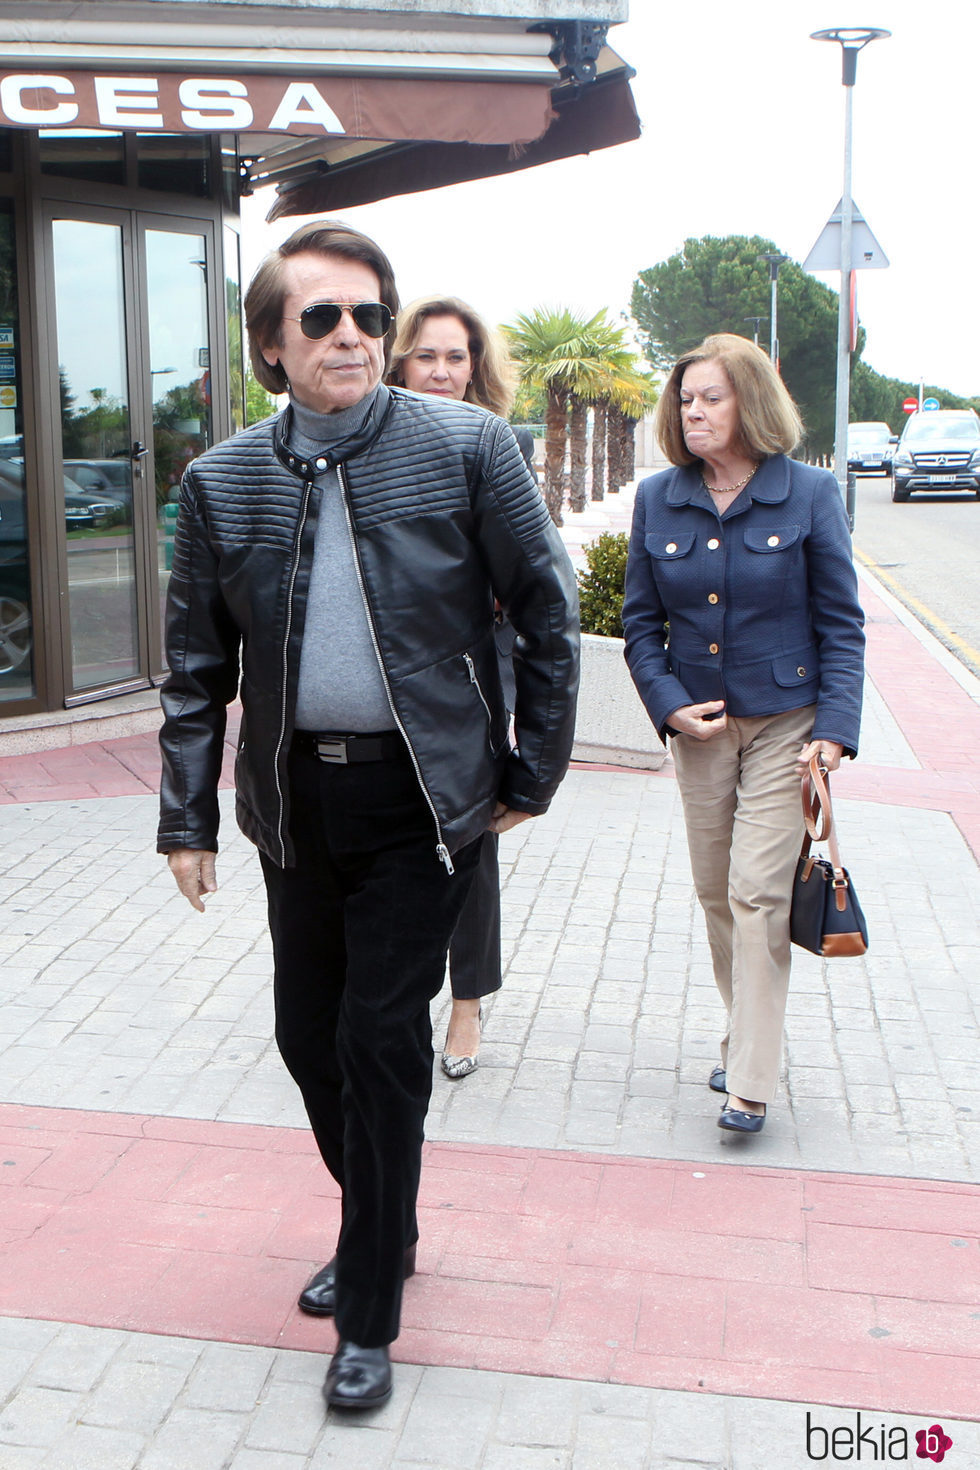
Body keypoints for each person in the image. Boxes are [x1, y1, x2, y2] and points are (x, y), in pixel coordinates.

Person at [157, 220, 579, 1409]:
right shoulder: (220, 482)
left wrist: (526, 771)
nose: (352, 337)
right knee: (307, 1037)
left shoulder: (467, 448)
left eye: (369, 316)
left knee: (378, 1039)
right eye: (321, 318)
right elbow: (195, 670)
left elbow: (545, 611)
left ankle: (371, 1315)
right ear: (269, 349)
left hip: (421, 797)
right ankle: (380, 1218)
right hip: (295, 802)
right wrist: (185, 818)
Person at [622, 333, 864, 1136]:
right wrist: (665, 705)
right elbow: (639, 624)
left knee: (758, 893)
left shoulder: (809, 495)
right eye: (685, 399)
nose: (693, 411)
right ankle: (743, 1032)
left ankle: (752, 1082)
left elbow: (842, 624)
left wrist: (834, 729)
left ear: (750, 403)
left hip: (785, 728)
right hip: (700, 731)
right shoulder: (659, 497)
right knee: (715, 892)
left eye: (711, 398)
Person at [388, 295, 534, 1079]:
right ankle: (397, 995)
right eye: (426, 355)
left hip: (474, 679)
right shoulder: (363, 443)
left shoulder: (498, 446)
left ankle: (468, 1004)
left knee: (468, 849)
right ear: (398, 360)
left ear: (477, 368)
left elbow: (533, 585)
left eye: (457, 356)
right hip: (385, 686)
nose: (441, 371)